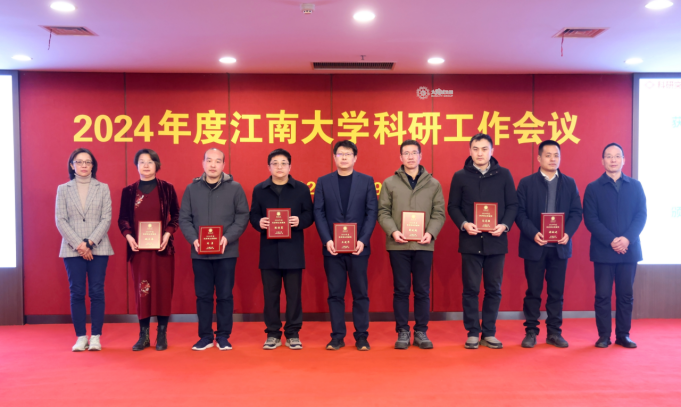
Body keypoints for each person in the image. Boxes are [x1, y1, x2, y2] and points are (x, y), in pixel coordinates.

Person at [448, 133, 518, 350]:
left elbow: (513, 205)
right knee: (470, 289)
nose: (480, 153)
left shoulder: (504, 174)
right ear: (470, 151)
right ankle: (472, 332)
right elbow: (453, 207)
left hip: (496, 242)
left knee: (494, 289)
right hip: (470, 241)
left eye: (484, 149)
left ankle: (489, 332)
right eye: (476, 149)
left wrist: (504, 225)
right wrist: (464, 224)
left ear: (492, 151)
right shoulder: (460, 176)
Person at [179, 148, 249, 351]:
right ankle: (205, 336)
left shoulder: (235, 188)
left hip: (226, 251)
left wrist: (227, 237)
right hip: (200, 252)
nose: (213, 165)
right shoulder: (192, 189)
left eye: (218, 161)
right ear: (203, 163)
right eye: (209, 160)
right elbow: (184, 218)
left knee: (225, 295)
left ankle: (224, 336)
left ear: (223, 165)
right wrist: (194, 239)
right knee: (203, 295)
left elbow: (242, 216)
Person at [378, 140, 446, 350]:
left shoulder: (433, 184)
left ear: (420, 156)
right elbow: (383, 212)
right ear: (400, 157)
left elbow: (439, 213)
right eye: (406, 153)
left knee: (422, 290)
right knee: (401, 290)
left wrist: (430, 233)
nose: (410, 157)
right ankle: (402, 331)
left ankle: (421, 331)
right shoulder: (390, 183)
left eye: (414, 153)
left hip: (424, 244)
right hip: (398, 244)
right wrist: (393, 231)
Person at [515, 140, 583, 348]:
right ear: (539, 158)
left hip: (559, 248)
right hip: (534, 246)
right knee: (533, 292)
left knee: (556, 292)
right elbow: (519, 213)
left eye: (556, 155)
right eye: (548, 155)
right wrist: (533, 233)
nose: (553, 159)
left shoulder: (569, 183)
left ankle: (554, 332)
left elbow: (576, 212)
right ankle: (531, 331)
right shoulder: (526, 183)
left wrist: (567, 233)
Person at [314, 140, 378, 351]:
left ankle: (362, 336)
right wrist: (327, 240)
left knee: (361, 293)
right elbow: (319, 213)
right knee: (335, 294)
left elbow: (371, 213)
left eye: (348, 154)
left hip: (358, 248)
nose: (344, 157)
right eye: (340, 154)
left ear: (355, 158)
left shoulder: (366, 181)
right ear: (334, 157)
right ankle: (337, 336)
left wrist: (363, 240)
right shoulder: (323, 182)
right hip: (332, 248)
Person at [249, 149, 314, 350]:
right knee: (270, 295)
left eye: (283, 163)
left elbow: (310, 215)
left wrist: (299, 221)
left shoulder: (301, 189)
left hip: (293, 250)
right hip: (269, 251)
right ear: (269, 167)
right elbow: (253, 215)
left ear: (290, 166)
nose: (279, 167)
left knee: (294, 295)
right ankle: (273, 334)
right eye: (275, 163)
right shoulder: (259, 189)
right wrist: (259, 222)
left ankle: (293, 333)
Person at [583, 143, 647, 349]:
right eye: (609, 156)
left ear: (623, 160)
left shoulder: (635, 186)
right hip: (603, 250)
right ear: (602, 161)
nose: (613, 160)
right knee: (602, 295)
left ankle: (623, 335)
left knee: (625, 295)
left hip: (629, 250)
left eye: (617, 156)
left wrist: (627, 239)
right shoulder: (593, 188)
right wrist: (612, 240)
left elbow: (641, 216)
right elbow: (591, 219)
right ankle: (603, 336)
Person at [118, 149, 180, 351]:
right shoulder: (128, 191)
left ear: (157, 165)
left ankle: (162, 334)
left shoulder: (167, 189)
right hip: (139, 251)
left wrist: (168, 234)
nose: (146, 165)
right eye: (142, 161)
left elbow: (176, 216)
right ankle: (143, 335)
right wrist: (129, 237)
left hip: (162, 249)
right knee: (142, 291)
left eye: (150, 161)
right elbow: (122, 219)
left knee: (163, 290)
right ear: (136, 165)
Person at [55, 148, 114, 352]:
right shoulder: (63, 189)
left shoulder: (103, 188)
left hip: (98, 247)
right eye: (79, 162)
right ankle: (81, 337)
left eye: (87, 162)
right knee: (77, 292)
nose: (83, 165)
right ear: (72, 165)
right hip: (72, 249)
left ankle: (96, 336)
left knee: (97, 291)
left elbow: (106, 218)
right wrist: (79, 245)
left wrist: (89, 243)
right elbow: (60, 220)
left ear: (93, 165)